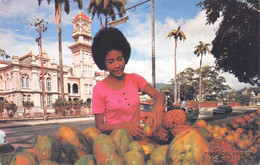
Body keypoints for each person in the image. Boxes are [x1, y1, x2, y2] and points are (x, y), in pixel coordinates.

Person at [91, 27, 165, 138]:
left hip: (137, 140)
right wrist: (124, 126)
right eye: (111, 61)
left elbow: (159, 96)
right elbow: (100, 126)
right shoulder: (99, 89)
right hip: (113, 143)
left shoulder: (135, 79)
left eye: (120, 59)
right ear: (103, 63)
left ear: (125, 56)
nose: (117, 65)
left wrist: (157, 107)